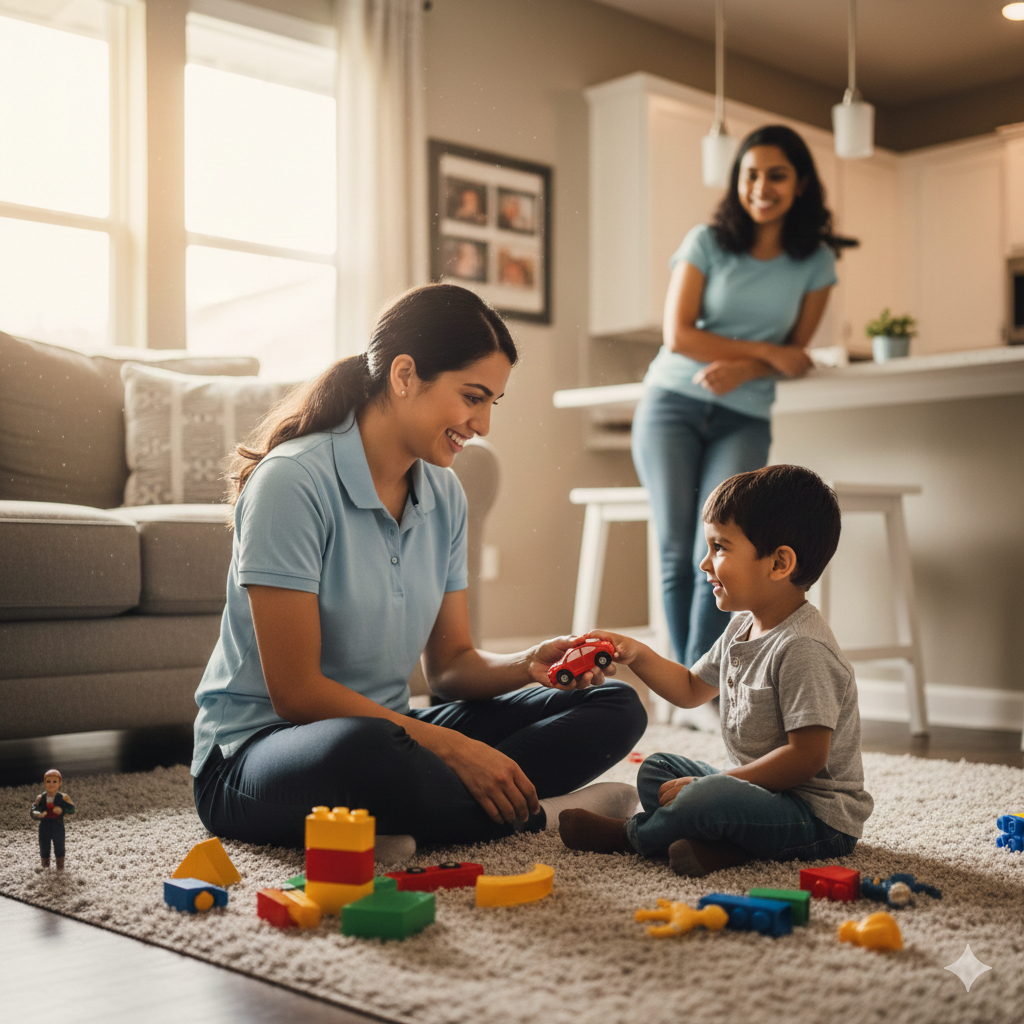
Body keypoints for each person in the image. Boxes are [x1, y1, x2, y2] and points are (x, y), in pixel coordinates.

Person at [192, 283, 646, 855]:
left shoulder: (445, 492)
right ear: (404, 375)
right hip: (260, 754)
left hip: (394, 732)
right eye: (472, 397)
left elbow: (452, 666)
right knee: (369, 753)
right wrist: (453, 749)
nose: (482, 425)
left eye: (491, 404)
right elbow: (297, 693)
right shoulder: (292, 482)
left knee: (612, 706)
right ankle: (539, 814)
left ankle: (415, 819)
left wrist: (527, 664)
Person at [559, 465, 873, 878]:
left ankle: (630, 836)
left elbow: (806, 758)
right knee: (659, 769)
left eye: (720, 548)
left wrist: (714, 786)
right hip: (755, 793)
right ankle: (721, 848)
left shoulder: (803, 649)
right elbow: (691, 689)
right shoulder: (741, 626)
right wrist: (638, 654)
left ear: (779, 563)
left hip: (814, 816)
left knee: (706, 798)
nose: (704, 563)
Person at [632, 125, 846, 670]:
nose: (761, 186)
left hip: (743, 414)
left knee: (733, 545)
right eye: (750, 174)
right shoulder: (706, 241)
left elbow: (794, 352)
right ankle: (688, 680)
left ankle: (711, 678)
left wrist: (745, 369)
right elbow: (679, 336)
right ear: (737, 181)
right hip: (672, 403)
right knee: (681, 546)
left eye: (776, 175)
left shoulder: (816, 260)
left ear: (800, 184)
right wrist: (760, 355)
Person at [31, 768, 74, 869]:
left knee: (59, 845)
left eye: (54, 781)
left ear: (60, 783)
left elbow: (72, 810)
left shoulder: (63, 797)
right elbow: (33, 811)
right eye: (48, 781)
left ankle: (60, 866)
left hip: (57, 825)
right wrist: (38, 814)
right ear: (44, 782)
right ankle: (45, 865)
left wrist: (62, 810)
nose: (51, 784)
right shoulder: (40, 798)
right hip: (44, 825)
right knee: (44, 845)